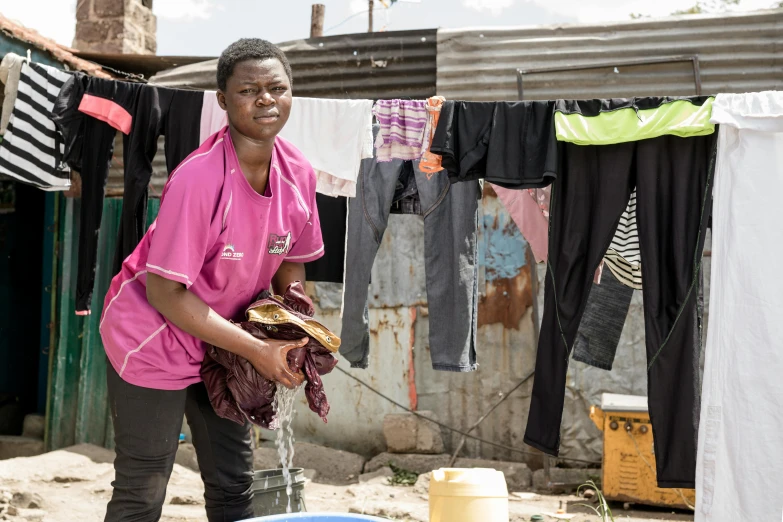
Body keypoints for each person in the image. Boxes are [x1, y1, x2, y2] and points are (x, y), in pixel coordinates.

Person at [99, 39, 324, 521]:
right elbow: (164, 292)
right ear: (222, 100)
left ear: (292, 93)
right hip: (154, 335)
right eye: (249, 90)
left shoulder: (300, 172)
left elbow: (290, 263)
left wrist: (292, 327)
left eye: (277, 88)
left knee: (234, 484)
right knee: (144, 485)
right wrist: (255, 350)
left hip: (224, 340)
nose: (266, 99)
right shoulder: (199, 179)